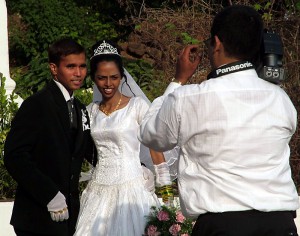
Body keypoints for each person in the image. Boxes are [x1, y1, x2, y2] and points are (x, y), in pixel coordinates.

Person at [139, 5, 299, 236]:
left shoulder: (188, 98)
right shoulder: (281, 99)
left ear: (217, 43)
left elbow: (151, 135)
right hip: (280, 224)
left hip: (224, 226)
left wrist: (178, 80)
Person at [74, 40, 175, 236]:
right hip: (98, 190)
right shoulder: (89, 112)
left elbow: (155, 149)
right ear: (94, 78)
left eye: (114, 77)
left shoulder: (136, 106)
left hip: (133, 186)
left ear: (122, 77)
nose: (108, 84)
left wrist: (166, 196)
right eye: (102, 78)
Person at [4, 38, 96, 236]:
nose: (78, 73)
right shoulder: (36, 105)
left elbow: (89, 152)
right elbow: (14, 156)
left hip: (68, 220)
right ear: (54, 68)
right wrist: (50, 195)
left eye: (82, 66)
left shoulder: (80, 109)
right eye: (70, 66)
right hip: (36, 218)